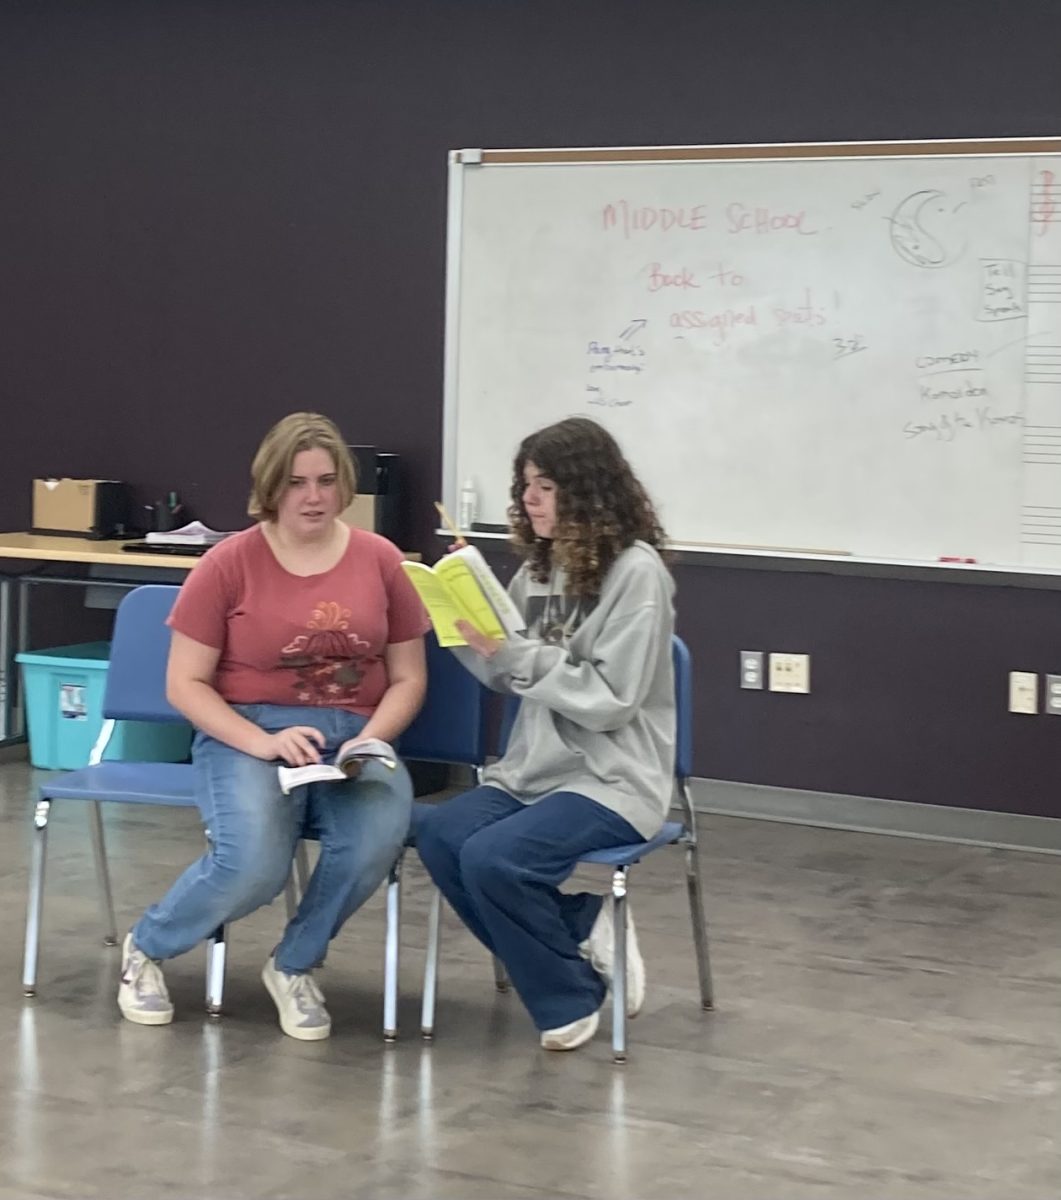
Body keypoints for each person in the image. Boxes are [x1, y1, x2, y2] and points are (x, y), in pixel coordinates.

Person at [118, 413, 429, 1040]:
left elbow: (409, 677)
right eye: (295, 483)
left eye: (325, 480)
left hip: (353, 734)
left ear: (344, 484)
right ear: (270, 487)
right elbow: (185, 684)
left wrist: (375, 737)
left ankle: (294, 965)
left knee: (377, 836)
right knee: (255, 861)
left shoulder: (380, 559)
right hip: (247, 730)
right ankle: (147, 949)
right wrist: (263, 742)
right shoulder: (229, 563)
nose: (313, 497)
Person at [414, 416, 675, 1051]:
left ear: (588, 492)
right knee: (442, 835)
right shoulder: (538, 568)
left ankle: (566, 998)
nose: (529, 500)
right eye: (526, 485)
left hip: (614, 780)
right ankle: (584, 924)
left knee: (494, 857)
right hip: (534, 770)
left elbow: (608, 700)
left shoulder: (637, 574)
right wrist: (461, 624)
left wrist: (514, 655)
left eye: (546, 486)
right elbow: (507, 674)